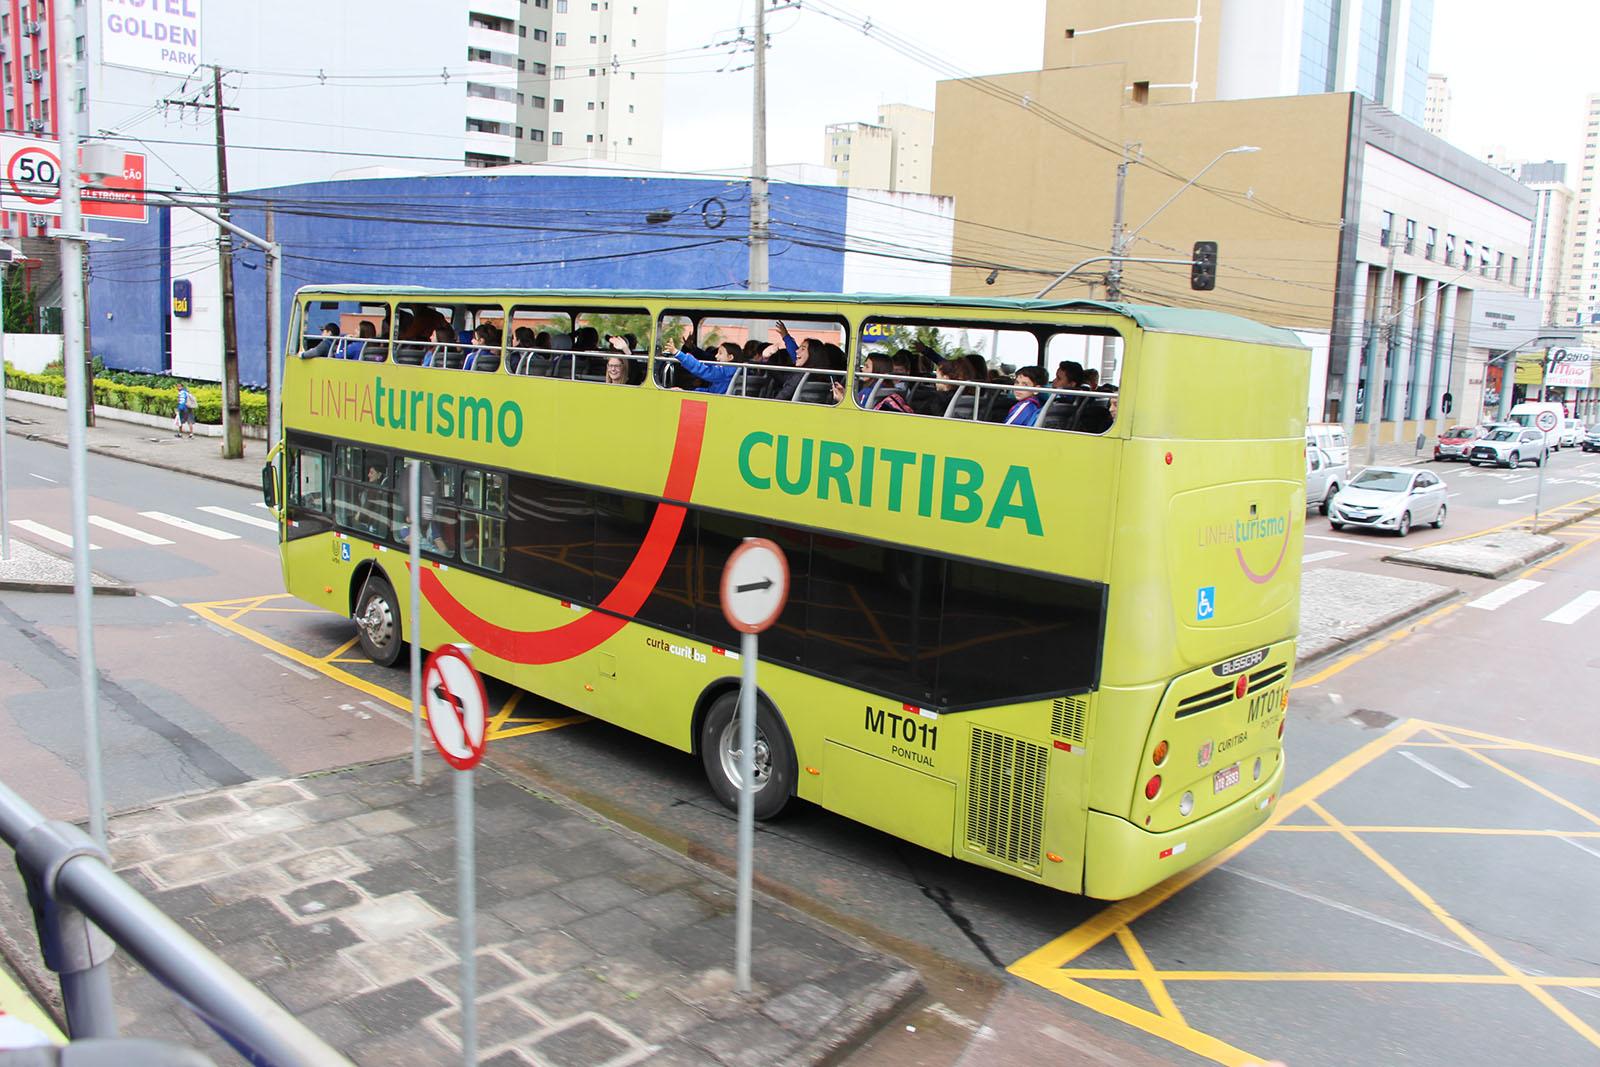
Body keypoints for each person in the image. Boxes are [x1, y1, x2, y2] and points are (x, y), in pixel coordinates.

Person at [836, 353, 913, 412]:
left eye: (867, 366)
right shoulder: (888, 388)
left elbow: (857, 415)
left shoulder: (867, 391)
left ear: (877, 370)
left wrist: (841, 400)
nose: (862, 369)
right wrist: (845, 394)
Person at [663, 336, 739, 394]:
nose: (716, 356)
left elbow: (702, 370)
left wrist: (677, 353)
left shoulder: (725, 371)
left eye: (720, 353)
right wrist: (686, 391)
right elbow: (711, 391)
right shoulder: (730, 370)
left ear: (730, 357)